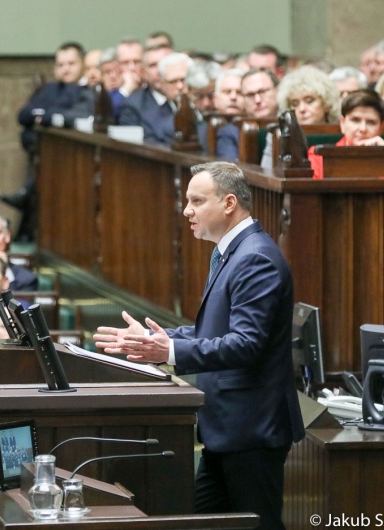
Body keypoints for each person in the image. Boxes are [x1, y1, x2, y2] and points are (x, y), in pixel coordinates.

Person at [94, 161, 304, 530]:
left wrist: (169, 353)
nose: (186, 210)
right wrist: (159, 339)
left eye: (196, 200)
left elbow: (246, 344)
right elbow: (215, 330)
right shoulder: (228, 251)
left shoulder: (254, 258)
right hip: (227, 428)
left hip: (251, 428)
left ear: (228, 203)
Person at [17, 42, 93, 153]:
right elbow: (23, 115)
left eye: (71, 64)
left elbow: (68, 116)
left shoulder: (88, 89)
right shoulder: (48, 88)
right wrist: (44, 115)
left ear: (83, 64)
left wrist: (45, 117)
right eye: (60, 65)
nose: (65, 69)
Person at [262, 66, 339, 169]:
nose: (302, 109)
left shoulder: (344, 131)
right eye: (295, 103)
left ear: (326, 104)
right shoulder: (279, 135)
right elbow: (267, 174)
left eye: (309, 101)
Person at [308, 89, 384, 179]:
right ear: (342, 123)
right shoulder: (319, 156)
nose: (363, 129)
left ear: (381, 128)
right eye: (355, 120)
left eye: (371, 122)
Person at [118, 47, 181, 145]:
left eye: (164, 63)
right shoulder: (132, 106)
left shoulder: (186, 97)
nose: (160, 69)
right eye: (153, 65)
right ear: (144, 71)